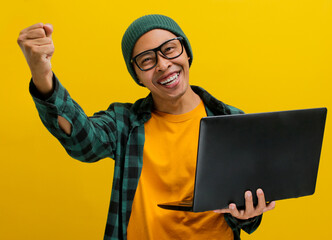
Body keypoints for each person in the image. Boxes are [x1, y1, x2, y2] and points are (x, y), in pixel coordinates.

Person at [17, 14, 275, 240]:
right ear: (137, 74)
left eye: (170, 49)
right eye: (147, 60)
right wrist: (41, 71)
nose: (163, 65)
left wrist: (246, 214)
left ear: (186, 52)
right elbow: (83, 143)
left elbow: (244, 216)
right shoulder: (124, 122)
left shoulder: (230, 121)